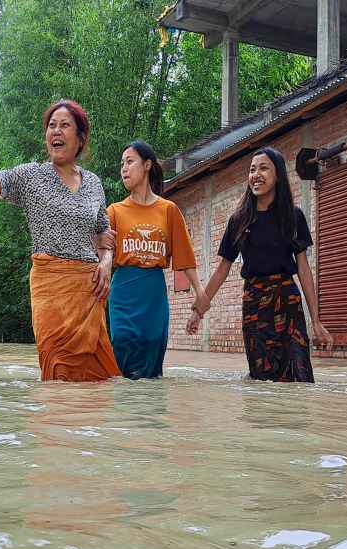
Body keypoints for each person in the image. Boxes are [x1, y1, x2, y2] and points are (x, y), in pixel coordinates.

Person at [0, 98, 120, 381]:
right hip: (50, 288)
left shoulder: (93, 183)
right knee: (58, 372)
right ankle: (54, 424)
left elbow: (104, 235)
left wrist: (106, 263)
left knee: (96, 379)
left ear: (80, 138)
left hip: (88, 291)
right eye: (51, 125)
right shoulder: (31, 176)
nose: (56, 131)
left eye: (65, 125)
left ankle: (91, 426)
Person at [187, 147, 332, 382]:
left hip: (287, 302)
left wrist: (315, 320)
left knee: (298, 374)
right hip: (254, 304)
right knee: (261, 377)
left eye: (264, 168)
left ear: (278, 175)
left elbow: (304, 269)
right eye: (252, 170)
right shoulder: (239, 220)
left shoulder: (293, 216)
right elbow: (222, 269)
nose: (256, 174)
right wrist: (198, 310)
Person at [107, 140, 205, 379]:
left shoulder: (168, 210)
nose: (124, 168)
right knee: (122, 341)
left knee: (152, 352)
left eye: (130, 162)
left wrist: (200, 294)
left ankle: (151, 414)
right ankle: (124, 411)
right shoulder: (114, 211)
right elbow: (103, 258)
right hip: (122, 290)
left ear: (147, 165)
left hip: (153, 292)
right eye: (122, 164)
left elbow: (184, 255)